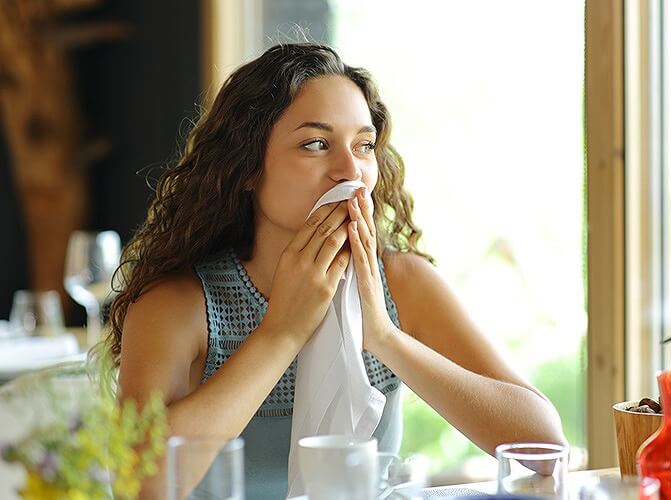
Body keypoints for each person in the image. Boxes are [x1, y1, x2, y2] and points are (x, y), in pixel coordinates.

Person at [106, 43, 566, 499]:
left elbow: (545, 448)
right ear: (246, 166)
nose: (351, 171)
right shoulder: (179, 305)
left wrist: (384, 337)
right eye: (316, 144)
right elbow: (139, 484)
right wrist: (281, 333)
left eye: (363, 146)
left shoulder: (403, 283)